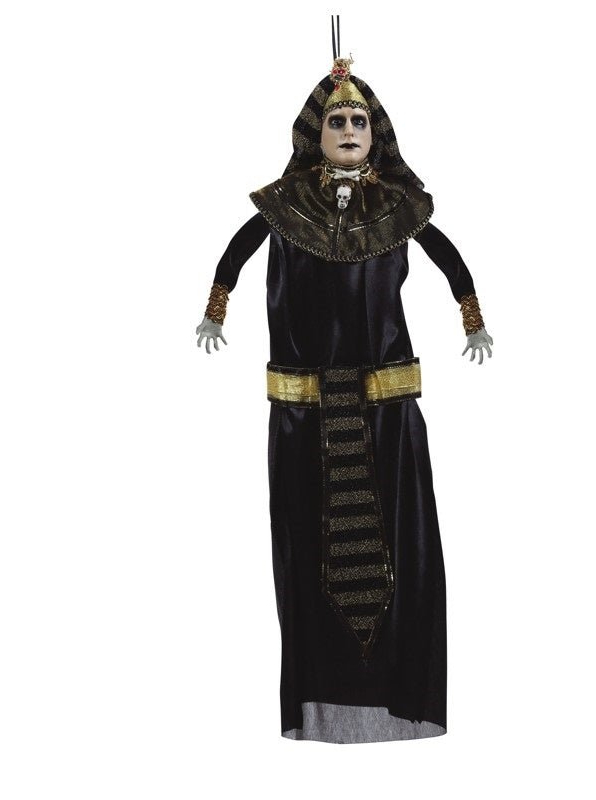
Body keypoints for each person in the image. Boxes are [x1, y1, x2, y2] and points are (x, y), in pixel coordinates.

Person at [196, 35, 492, 743]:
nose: (350, 130)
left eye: (360, 120)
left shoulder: (397, 207)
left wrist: (472, 317)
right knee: (309, 544)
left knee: (400, 545)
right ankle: (322, 690)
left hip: (384, 408)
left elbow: (447, 257)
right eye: (337, 120)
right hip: (304, 412)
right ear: (316, 133)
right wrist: (215, 309)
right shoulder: (284, 206)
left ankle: (397, 685)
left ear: (376, 132)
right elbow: (238, 250)